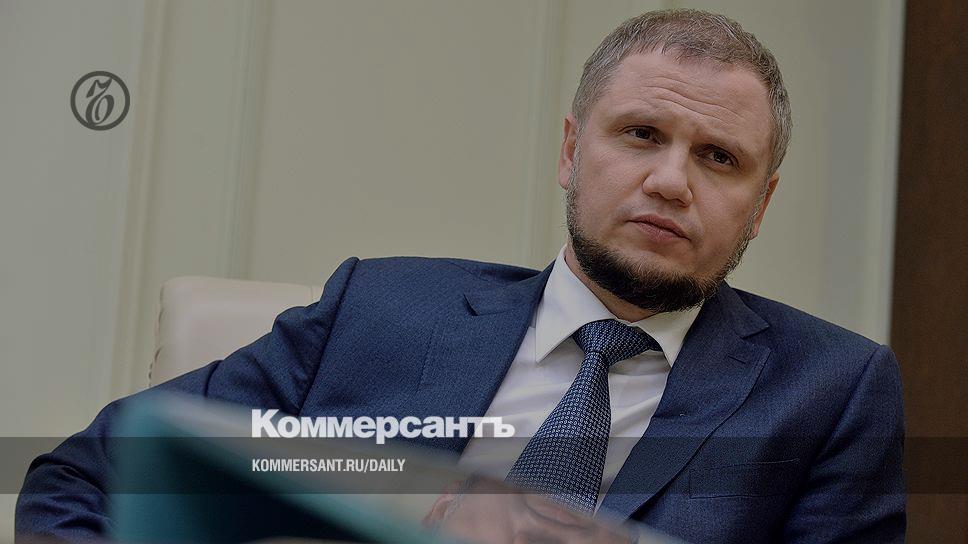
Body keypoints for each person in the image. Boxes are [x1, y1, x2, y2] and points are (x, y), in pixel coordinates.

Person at [16, 8, 904, 543]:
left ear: (761, 203)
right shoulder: (378, 309)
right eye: (640, 134)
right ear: (571, 151)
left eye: (719, 157)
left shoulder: (830, 390)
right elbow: (90, 475)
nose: (671, 181)